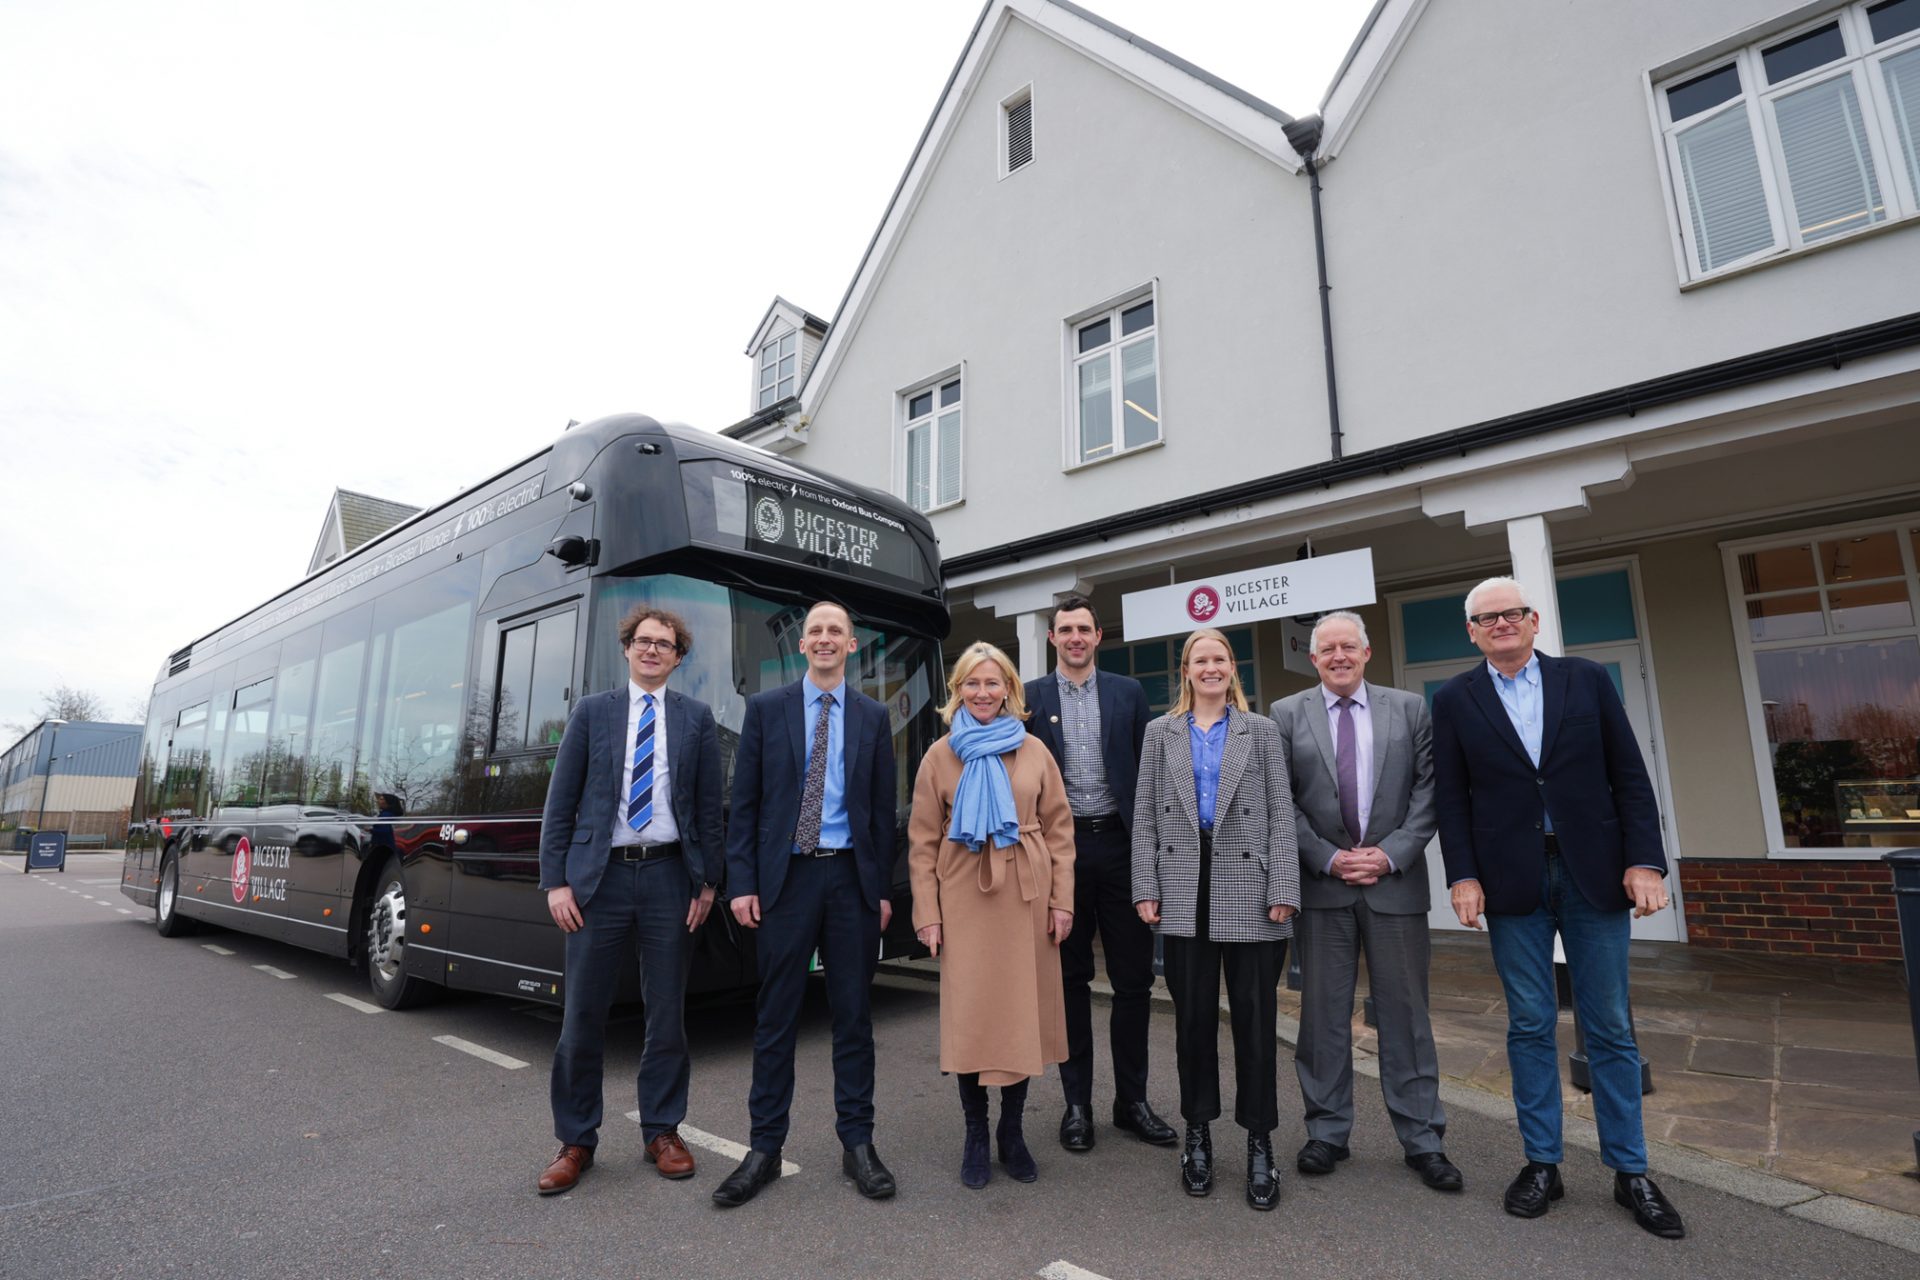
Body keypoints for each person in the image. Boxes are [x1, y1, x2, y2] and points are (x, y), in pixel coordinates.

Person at [1431, 576, 1684, 1239]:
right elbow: (1452, 797)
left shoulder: (1586, 680)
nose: (1502, 623)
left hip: (1592, 872)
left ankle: (1631, 1171)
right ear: (1472, 632)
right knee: (1530, 1024)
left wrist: (1645, 861)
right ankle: (1542, 1163)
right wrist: (1463, 875)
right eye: (1488, 617)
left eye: (1512, 613)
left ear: (1534, 620)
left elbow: (1629, 776)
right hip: (1510, 881)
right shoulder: (1454, 698)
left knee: (1609, 1026)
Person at [712, 601, 899, 1207]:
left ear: (851, 644)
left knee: (854, 1019)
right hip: (785, 882)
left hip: (850, 882)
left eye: (835, 631)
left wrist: (880, 891)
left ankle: (858, 1144)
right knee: (775, 1020)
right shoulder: (766, 710)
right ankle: (764, 1149)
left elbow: (881, 813)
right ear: (802, 644)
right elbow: (745, 806)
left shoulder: (873, 717)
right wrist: (742, 883)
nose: (823, 638)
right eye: (814, 630)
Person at [535, 605, 723, 1196]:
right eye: (643, 641)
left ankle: (662, 1131)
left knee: (666, 1014)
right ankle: (575, 1141)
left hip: (670, 878)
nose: (651, 650)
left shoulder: (696, 718)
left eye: (664, 644)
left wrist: (708, 882)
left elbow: (709, 808)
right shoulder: (593, 712)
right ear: (627, 648)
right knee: (582, 1015)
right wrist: (556, 881)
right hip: (599, 881)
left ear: (678, 657)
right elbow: (560, 803)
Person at [1271, 611, 1458, 1191]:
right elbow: (1281, 799)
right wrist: (1328, 857)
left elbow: (1430, 791)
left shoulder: (1409, 709)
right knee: (1322, 1017)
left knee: (1406, 1017)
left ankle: (1423, 1139)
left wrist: (1389, 854)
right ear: (1313, 658)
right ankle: (1327, 1132)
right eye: (1327, 649)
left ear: (1366, 652)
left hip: (1394, 885)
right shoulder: (1285, 714)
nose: (1339, 656)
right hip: (1323, 887)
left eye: (1348, 646)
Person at [1132, 627, 1299, 1210]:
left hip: (1250, 888)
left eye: (1219, 658)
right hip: (1183, 889)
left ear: (1232, 668)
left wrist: (1284, 887)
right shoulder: (1160, 733)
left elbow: (1281, 814)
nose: (1210, 667)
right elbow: (1145, 817)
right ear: (1186, 670)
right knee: (1193, 1026)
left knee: (1256, 1025)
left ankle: (1259, 1142)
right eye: (1199, 659)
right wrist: (1145, 887)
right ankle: (1197, 1136)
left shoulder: (1261, 731)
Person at [910, 642, 1076, 1189]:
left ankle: (1012, 1130)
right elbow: (922, 842)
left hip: (1026, 896)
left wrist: (1062, 901)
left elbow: (1060, 832)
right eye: (972, 684)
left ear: (1009, 689)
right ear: (958, 691)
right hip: (963, 895)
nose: (982, 693)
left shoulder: (1034, 750)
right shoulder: (939, 755)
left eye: (992, 683)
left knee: (1020, 1015)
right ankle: (976, 1133)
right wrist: (927, 913)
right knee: (972, 1018)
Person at [1023, 597, 1174, 1153]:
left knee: (1133, 981)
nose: (1075, 637)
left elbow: (1149, 775)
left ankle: (1131, 1102)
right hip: (1058, 852)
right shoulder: (1030, 698)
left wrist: (1153, 854)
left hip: (1121, 847)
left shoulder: (1127, 693)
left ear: (1098, 635)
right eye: (1065, 629)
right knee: (1070, 981)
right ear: (1052, 638)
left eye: (1083, 629)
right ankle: (1077, 1105)